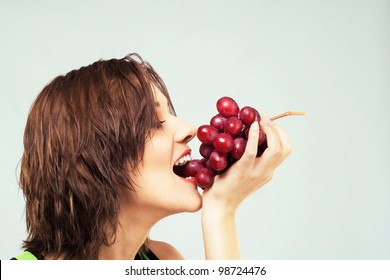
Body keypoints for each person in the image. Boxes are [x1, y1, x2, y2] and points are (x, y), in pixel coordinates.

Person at [14, 53, 291, 260]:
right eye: (154, 122)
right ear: (91, 159)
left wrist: (221, 210)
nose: (189, 129)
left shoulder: (164, 261)